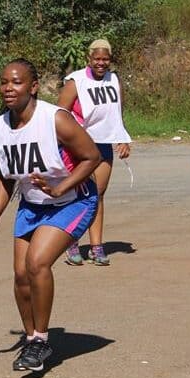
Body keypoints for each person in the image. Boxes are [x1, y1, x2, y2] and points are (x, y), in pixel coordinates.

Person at [0, 58, 101, 372]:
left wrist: (61, 188)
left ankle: (42, 341)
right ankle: (32, 341)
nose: (8, 88)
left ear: (32, 87)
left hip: (73, 201)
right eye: (3, 82)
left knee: (37, 263)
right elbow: (6, 175)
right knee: (20, 276)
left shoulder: (55, 119)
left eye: (16, 82)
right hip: (32, 205)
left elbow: (92, 157)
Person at [58, 39, 132, 266]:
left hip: (103, 144)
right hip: (79, 145)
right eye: (97, 59)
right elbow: (60, 113)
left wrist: (122, 137)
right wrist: (67, 142)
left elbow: (117, 112)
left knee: (98, 195)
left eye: (105, 59)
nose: (101, 63)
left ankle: (96, 247)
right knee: (78, 193)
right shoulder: (76, 81)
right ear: (89, 59)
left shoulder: (114, 79)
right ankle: (70, 243)